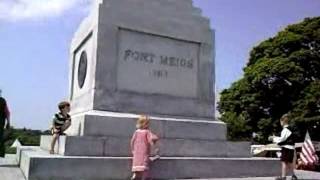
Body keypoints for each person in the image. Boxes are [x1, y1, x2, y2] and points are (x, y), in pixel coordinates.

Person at [269, 114, 298, 180]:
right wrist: (275, 137)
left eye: (280, 122)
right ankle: (293, 176)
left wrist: (273, 138)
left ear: (283, 121)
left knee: (284, 162)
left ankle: (283, 177)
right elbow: (284, 138)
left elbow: (282, 139)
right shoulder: (289, 129)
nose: (280, 123)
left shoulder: (286, 130)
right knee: (289, 163)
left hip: (287, 148)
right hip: (290, 148)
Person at [130, 115, 159, 180]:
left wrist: (133, 149)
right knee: (144, 167)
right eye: (148, 123)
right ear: (145, 124)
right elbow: (150, 140)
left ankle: (134, 175)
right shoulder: (147, 132)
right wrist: (155, 147)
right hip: (144, 152)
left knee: (137, 165)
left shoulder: (136, 132)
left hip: (137, 152)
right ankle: (144, 178)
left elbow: (132, 141)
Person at [0, 92, 10, 158]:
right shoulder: (3, 100)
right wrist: (8, 122)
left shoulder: (3, 101)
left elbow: (7, 112)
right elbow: (7, 113)